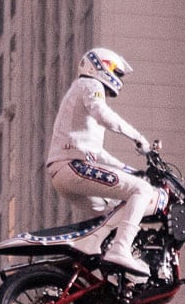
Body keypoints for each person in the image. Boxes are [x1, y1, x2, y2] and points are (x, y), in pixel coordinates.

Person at [43, 46, 160, 279]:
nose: (118, 79)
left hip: (66, 170)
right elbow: (102, 113)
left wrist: (130, 170)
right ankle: (120, 249)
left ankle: (99, 264)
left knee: (111, 214)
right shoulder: (89, 85)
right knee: (143, 191)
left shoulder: (81, 97)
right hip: (72, 166)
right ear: (102, 66)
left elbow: (97, 154)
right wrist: (138, 138)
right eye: (116, 72)